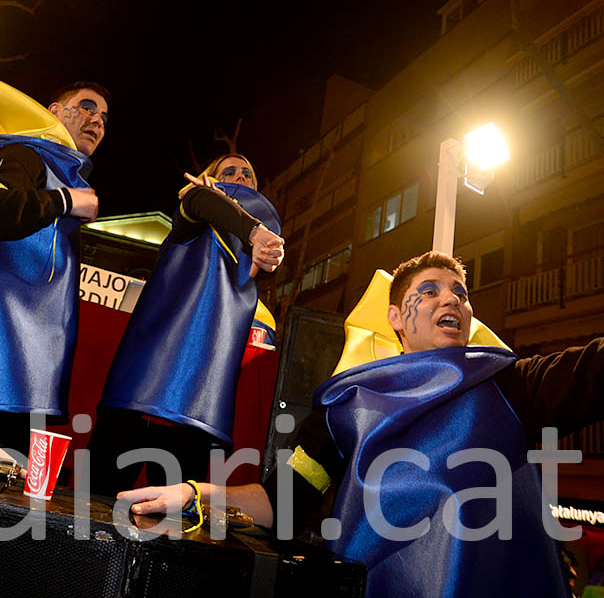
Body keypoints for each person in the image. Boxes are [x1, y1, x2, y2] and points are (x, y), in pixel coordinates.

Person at [119, 250, 604, 598]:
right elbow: (282, 504)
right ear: (396, 315)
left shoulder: (512, 386)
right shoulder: (348, 407)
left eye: (460, 292)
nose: (450, 300)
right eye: (429, 291)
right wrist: (196, 494)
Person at [88, 153, 284, 497]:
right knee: (95, 502)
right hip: (140, 390)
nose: (240, 177)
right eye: (229, 171)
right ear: (207, 180)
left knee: (170, 524)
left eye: (248, 174)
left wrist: (264, 246)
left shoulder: (254, 252)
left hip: (200, 401)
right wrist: (252, 229)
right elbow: (201, 201)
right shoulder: (192, 217)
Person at [0, 76, 110, 453]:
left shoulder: (62, 173)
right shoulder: (22, 153)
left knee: (4, 497)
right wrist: (65, 201)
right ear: (53, 112)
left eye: (104, 118)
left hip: (28, 378)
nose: (97, 121)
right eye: (86, 107)